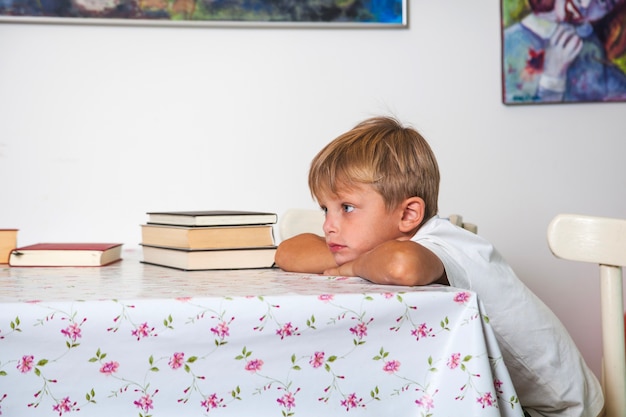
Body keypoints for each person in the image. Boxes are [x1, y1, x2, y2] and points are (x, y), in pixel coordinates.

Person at [274, 116, 603, 417]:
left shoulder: (447, 244)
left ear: (408, 215)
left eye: (346, 207)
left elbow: (403, 266)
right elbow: (287, 252)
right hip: (504, 398)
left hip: (560, 410)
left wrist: (348, 266)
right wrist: (349, 259)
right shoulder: (375, 247)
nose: (329, 226)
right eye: (325, 209)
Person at [502, 0, 626, 103]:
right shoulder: (510, 44)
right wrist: (552, 78)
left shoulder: (591, 47)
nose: (585, 5)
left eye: (603, 2)